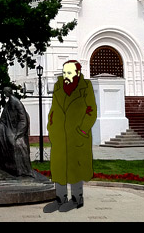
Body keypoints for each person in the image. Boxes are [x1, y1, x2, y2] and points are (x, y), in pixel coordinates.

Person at [43, 60, 97, 213]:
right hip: (59, 136)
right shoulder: (58, 86)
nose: (66, 76)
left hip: (77, 136)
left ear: (77, 73)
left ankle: (77, 198)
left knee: (75, 166)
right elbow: (53, 110)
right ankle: (60, 199)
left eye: (69, 73)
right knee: (59, 167)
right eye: (64, 72)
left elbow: (91, 110)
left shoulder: (85, 87)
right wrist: (51, 128)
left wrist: (83, 130)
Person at [0, 87, 32, 176]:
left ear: (8, 93)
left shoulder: (17, 103)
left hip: (17, 130)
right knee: (1, 136)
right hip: (10, 128)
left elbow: (23, 120)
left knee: (16, 144)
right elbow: (3, 118)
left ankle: (21, 169)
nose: (4, 94)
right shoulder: (8, 104)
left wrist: (18, 133)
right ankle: (7, 165)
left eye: (5, 93)